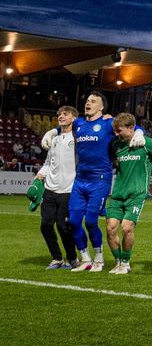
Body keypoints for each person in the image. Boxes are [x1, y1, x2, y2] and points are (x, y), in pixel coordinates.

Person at [61, 91, 145, 273]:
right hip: (80, 180)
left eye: (93, 101)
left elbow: (129, 126)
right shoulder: (79, 124)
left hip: (100, 179)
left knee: (91, 220)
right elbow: (64, 124)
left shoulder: (108, 124)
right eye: (87, 100)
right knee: (74, 222)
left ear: (101, 107)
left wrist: (139, 131)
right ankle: (85, 258)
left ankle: (99, 259)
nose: (88, 103)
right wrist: (52, 132)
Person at [105, 113, 152, 274]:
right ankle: (118, 262)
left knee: (126, 228)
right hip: (118, 194)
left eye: (119, 130)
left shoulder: (145, 143)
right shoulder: (115, 145)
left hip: (136, 194)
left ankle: (126, 262)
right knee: (110, 229)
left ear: (131, 128)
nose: (116, 134)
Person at [36, 106, 78, 269]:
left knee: (63, 226)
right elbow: (48, 163)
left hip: (68, 190)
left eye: (65, 114)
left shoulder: (77, 138)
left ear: (74, 118)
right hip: (50, 190)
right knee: (45, 225)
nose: (61, 116)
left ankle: (73, 258)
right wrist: (41, 174)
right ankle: (57, 258)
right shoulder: (53, 139)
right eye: (59, 114)